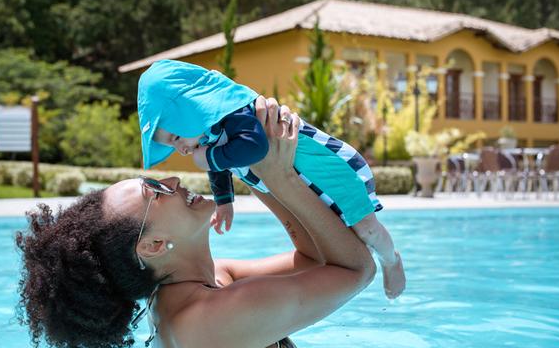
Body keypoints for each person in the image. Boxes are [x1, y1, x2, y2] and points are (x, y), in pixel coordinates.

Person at [16, 98, 375, 348]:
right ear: (153, 246)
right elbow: (357, 269)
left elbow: (313, 262)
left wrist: (254, 162)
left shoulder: (198, 288)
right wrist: (281, 179)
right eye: (154, 190)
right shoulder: (220, 314)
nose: (171, 181)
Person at [138, 60, 405, 298]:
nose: (181, 149)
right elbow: (222, 164)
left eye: (176, 138)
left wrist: (210, 158)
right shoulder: (208, 133)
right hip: (307, 182)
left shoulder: (237, 112)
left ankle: (391, 259)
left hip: (337, 172)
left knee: (367, 230)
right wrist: (224, 202)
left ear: (188, 111)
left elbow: (255, 147)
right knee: (338, 244)